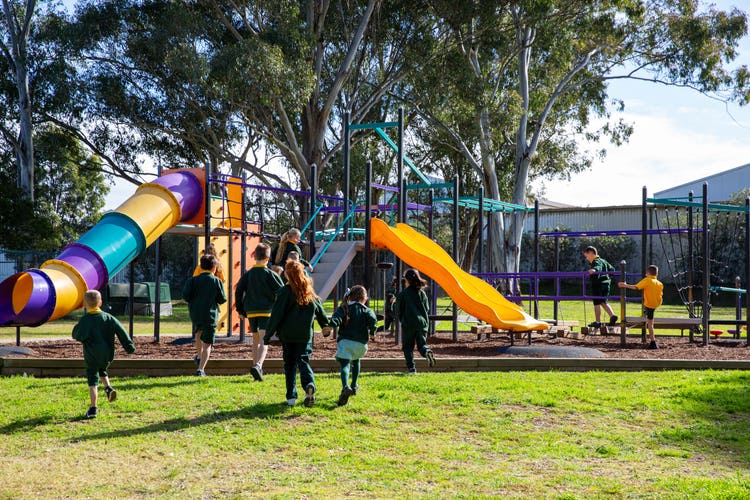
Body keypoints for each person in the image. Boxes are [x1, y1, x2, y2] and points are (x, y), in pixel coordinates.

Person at [264, 260, 329, 407]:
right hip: (305, 335)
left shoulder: (284, 292)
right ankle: (309, 385)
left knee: (290, 364)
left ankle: (291, 397)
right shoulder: (308, 291)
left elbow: (277, 314)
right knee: (304, 361)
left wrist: (268, 335)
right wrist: (325, 324)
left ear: (287, 274)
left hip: (288, 335)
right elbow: (319, 309)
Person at [72, 289, 136, 419]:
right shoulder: (109, 318)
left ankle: (93, 408)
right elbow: (121, 331)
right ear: (100, 303)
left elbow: (78, 335)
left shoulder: (85, 320)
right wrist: (129, 347)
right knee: (102, 369)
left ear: (84, 304)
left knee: (92, 379)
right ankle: (108, 388)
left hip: (92, 355)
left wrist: (77, 330)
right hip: (107, 355)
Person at [235, 243, 284, 381]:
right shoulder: (270, 274)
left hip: (251, 311)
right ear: (268, 258)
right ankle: (258, 365)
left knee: (255, 340)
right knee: (264, 340)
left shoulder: (248, 274)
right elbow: (282, 291)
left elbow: (238, 291)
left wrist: (240, 309)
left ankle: (256, 370)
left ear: (254, 256)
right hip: (266, 311)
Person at [325, 285, 377, 406]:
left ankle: (345, 387)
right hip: (361, 345)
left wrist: (331, 326)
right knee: (356, 360)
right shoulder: (367, 310)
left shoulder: (344, 308)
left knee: (345, 364)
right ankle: (354, 386)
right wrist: (373, 333)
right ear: (365, 298)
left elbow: (336, 318)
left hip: (346, 342)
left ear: (350, 297)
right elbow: (373, 321)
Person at [183, 254, 227, 376]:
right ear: (214, 268)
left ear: (201, 267)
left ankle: (198, 355)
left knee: (198, 334)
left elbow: (186, 296)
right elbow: (222, 299)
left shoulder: (192, 281)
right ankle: (201, 369)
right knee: (207, 343)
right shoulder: (216, 281)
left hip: (196, 314)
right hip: (211, 315)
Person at [395, 268, 436, 374]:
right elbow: (426, 308)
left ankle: (411, 368)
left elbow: (399, 309)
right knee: (422, 344)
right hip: (422, 323)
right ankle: (427, 351)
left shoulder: (403, 294)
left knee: (408, 347)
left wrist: (402, 319)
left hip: (409, 323)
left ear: (407, 281)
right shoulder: (422, 293)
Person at [618, 265, 664, 349]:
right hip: (656, 303)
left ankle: (653, 342)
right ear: (657, 274)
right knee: (649, 316)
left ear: (647, 273)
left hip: (649, 305)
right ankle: (645, 312)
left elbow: (636, 287)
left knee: (650, 324)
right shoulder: (659, 283)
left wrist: (625, 285)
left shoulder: (647, 280)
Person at [583, 246, 617, 328]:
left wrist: (594, 270)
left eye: (587, 256)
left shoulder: (596, 261)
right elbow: (612, 269)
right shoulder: (603, 261)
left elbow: (597, 267)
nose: (587, 259)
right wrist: (610, 276)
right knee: (603, 301)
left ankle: (598, 321)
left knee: (597, 302)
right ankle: (612, 315)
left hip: (598, 284)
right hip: (606, 284)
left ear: (591, 253)